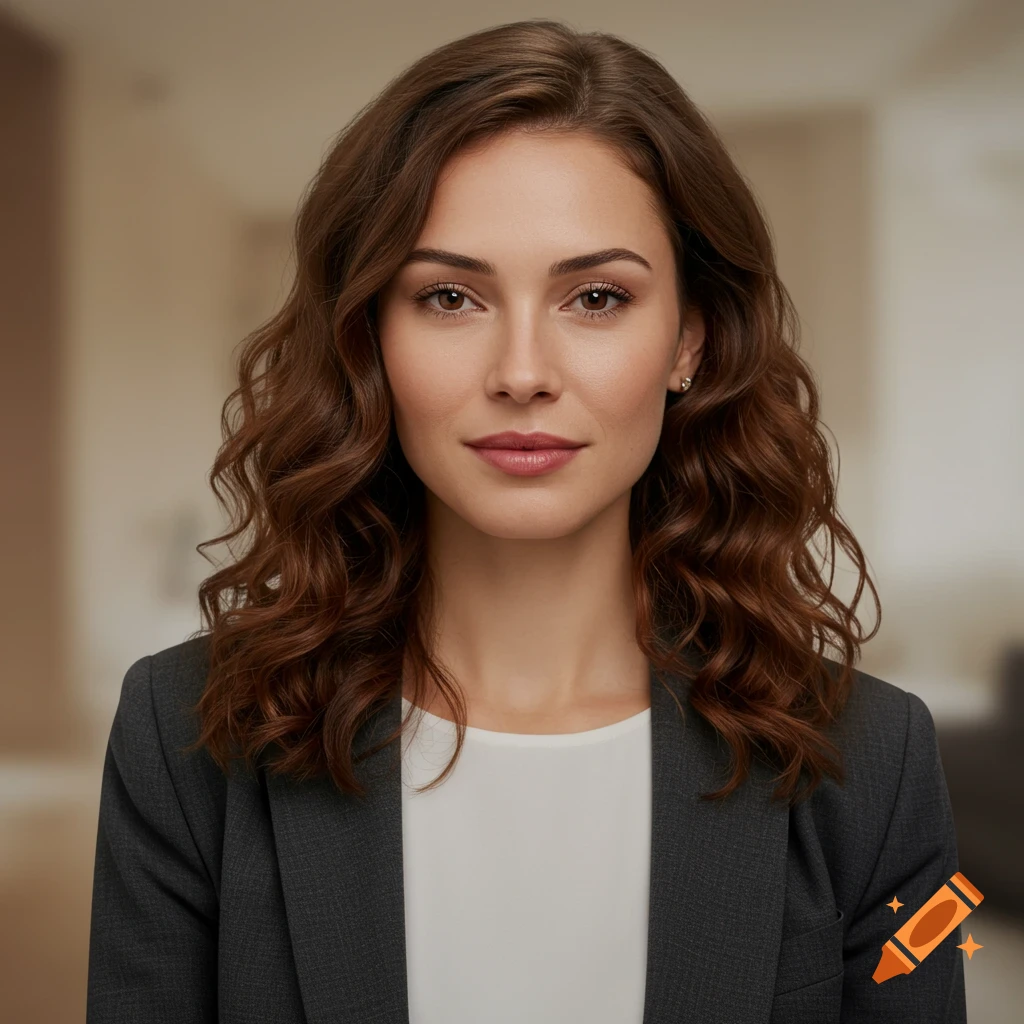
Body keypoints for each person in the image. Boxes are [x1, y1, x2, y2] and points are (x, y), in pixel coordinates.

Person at [85, 18, 967, 1024]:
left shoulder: (880, 758)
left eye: (595, 297)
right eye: (450, 296)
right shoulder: (185, 735)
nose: (520, 373)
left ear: (690, 339)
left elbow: (927, 967)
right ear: (368, 336)